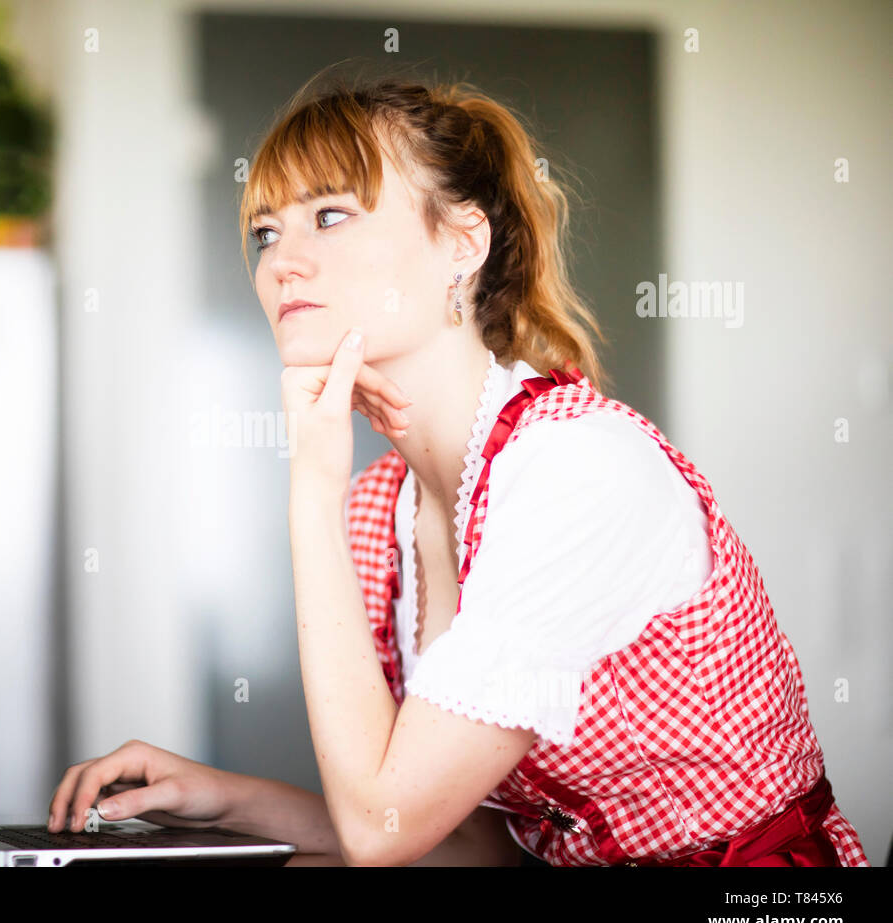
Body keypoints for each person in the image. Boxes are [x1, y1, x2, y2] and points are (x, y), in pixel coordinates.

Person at [46, 73, 868, 867]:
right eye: (265, 233)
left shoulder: (576, 472)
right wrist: (226, 799)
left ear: (463, 244)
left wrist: (308, 490)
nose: (282, 263)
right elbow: (465, 844)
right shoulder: (383, 511)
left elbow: (378, 835)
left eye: (330, 216)